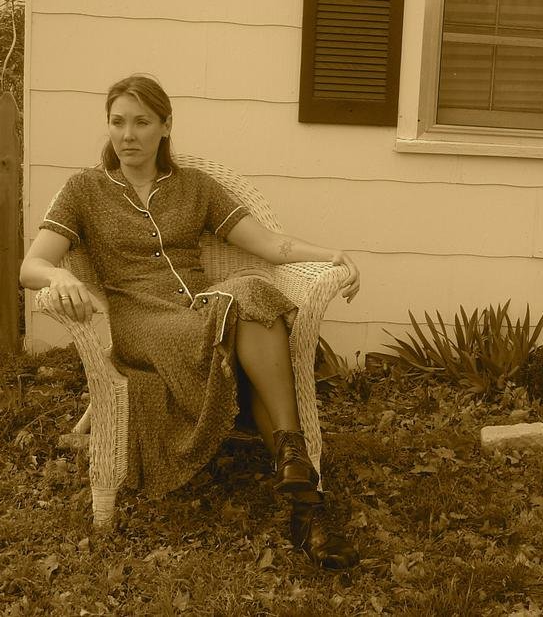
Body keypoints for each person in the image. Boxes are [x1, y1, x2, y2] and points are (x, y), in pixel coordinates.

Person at [20, 75, 361, 570]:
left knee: (249, 292)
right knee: (243, 312)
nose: (128, 135)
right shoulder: (84, 190)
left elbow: (270, 245)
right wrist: (60, 276)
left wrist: (332, 255)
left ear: (165, 126)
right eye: (118, 122)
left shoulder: (195, 186)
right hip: (143, 322)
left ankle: (301, 492)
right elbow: (31, 266)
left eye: (142, 122)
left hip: (202, 309)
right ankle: (297, 463)